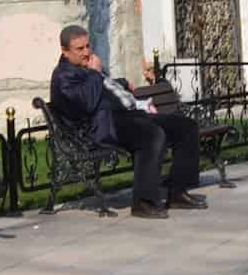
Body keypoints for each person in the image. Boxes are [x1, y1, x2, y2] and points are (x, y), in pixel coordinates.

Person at [48, 24, 205, 219]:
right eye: (79, 49)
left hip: (120, 117)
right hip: (100, 128)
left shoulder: (83, 68)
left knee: (185, 127)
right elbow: (88, 102)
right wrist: (95, 72)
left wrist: (121, 83)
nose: (86, 52)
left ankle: (178, 192)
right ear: (64, 51)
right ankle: (143, 202)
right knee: (151, 135)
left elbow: (104, 88)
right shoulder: (63, 77)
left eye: (88, 46)